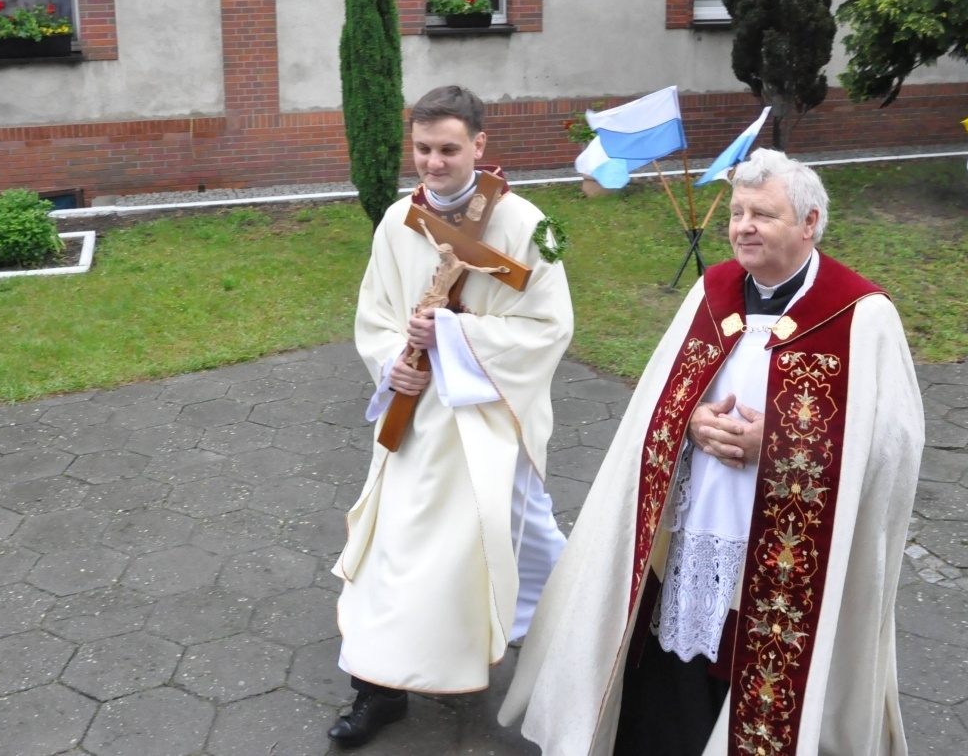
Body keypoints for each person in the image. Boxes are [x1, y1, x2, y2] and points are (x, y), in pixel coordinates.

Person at [500, 149, 923, 756]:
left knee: (754, 663)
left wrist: (778, 442)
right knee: (672, 670)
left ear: (809, 223)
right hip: (697, 523)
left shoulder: (860, 315)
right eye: (737, 213)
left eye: (763, 215)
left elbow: (895, 448)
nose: (744, 227)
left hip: (782, 546)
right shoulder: (713, 290)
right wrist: (691, 420)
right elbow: (660, 400)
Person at [329, 85, 574, 747]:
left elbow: (550, 327)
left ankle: (575, 656)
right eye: (422, 149)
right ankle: (379, 687)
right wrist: (395, 364)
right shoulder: (396, 221)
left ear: (478, 144)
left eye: (447, 149)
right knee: (395, 544)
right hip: (415, 418)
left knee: (511, 539)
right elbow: (377, 313)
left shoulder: (527, 225)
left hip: (487, 417)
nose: (433, 163)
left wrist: (454, 337)